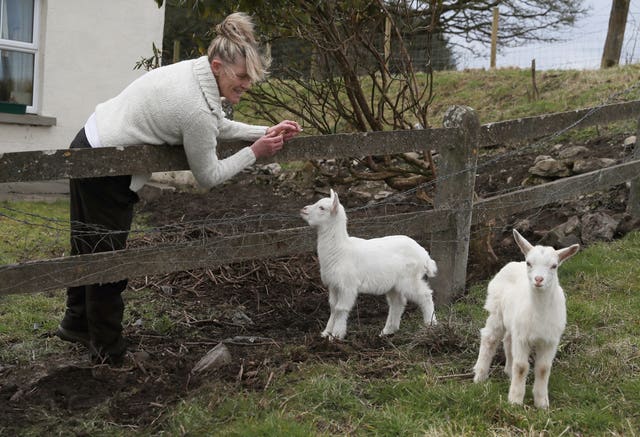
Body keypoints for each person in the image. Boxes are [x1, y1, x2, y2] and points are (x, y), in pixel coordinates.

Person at [55, 12, 301, 365]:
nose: (248, 84)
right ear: (219, 66)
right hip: (105, 167)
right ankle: (109, 350)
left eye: (251, 77)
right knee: (108, 260)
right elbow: (209, 175)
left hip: (88, 143)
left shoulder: (196, 73)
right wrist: (255, 152)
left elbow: (216, 123)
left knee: (88, 247)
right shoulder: (195, 106)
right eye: (243, 76)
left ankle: (76, 323)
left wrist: (263, 131)